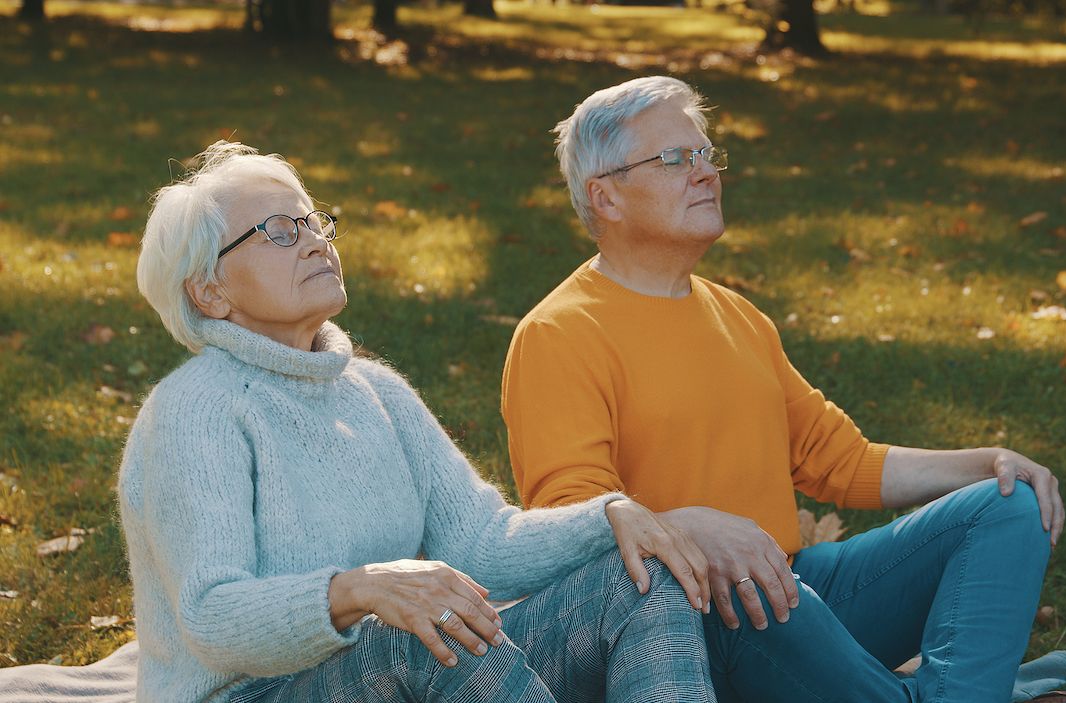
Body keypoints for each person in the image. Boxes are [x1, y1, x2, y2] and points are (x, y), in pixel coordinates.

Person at [501, 76, 1066, 703]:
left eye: (706, 154)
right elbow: (567, 525)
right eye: (675, 158)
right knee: (756, 593)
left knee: (1007, 506)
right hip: (699, 618)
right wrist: (690, 528)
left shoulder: (737, 316)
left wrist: (985, 463)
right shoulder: (560, 333)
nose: (705, 173)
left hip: (794, 589)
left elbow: (838, 461)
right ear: (607, 198)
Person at [115, 140, 717, 703]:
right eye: (277, 232)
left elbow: (481, 544)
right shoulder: (195, 410)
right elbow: (212, 616)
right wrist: (362, 589)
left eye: (313, 222)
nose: (314, 242)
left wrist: (610, 517)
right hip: (245, 693)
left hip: (395, 664)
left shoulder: (376, 392)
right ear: (209, 293)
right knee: (432, 632)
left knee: (640, 577)